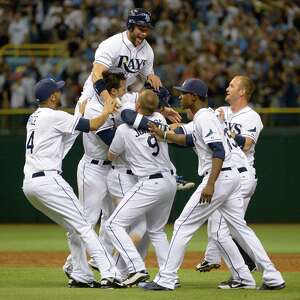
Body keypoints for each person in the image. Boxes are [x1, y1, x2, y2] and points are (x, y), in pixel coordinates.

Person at [142, 78, 285, 291]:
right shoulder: (208, 116)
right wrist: (164, 134)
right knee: (239, 228)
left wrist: (210, 184)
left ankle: (166, 278)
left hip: (221, 177)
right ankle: (271, 277)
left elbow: (218, 150)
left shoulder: (205, 118)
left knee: (182, 224)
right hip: (232, 176)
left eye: (184, 93)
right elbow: (189, 140)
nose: (180, 96)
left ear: (195, 96)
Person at [22, 78, 125, 289]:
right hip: (49, 180)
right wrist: (106, 109)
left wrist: (78, 113)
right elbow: (94, 125)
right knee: (85, 226)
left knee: (74, 228)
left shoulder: (34, 117)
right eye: (57, 91)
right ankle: (110, 273)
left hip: (30, 185)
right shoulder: (54, 116)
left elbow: (66, 139)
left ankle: (80, 275)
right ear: (52, 97)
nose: (60, 93)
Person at [105, 89, 177, 286]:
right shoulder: (161, 119)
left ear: (137, 106)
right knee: (157, 231)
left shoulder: (124, 129)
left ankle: (137, 268)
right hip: (168, 181)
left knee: (113, 224)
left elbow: (111, 155)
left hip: (149, 182)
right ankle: (169, 275)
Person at [197, 76, 263, 281]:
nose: (227, 88)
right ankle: (258, 267)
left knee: (220, 226)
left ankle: (242, 270)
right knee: (231, 226)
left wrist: (225, 129)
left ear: (242, 92)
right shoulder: (220, 112)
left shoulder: (251, 116)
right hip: (228, 175)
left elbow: (247, 144)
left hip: (242, 175)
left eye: (232, 86)